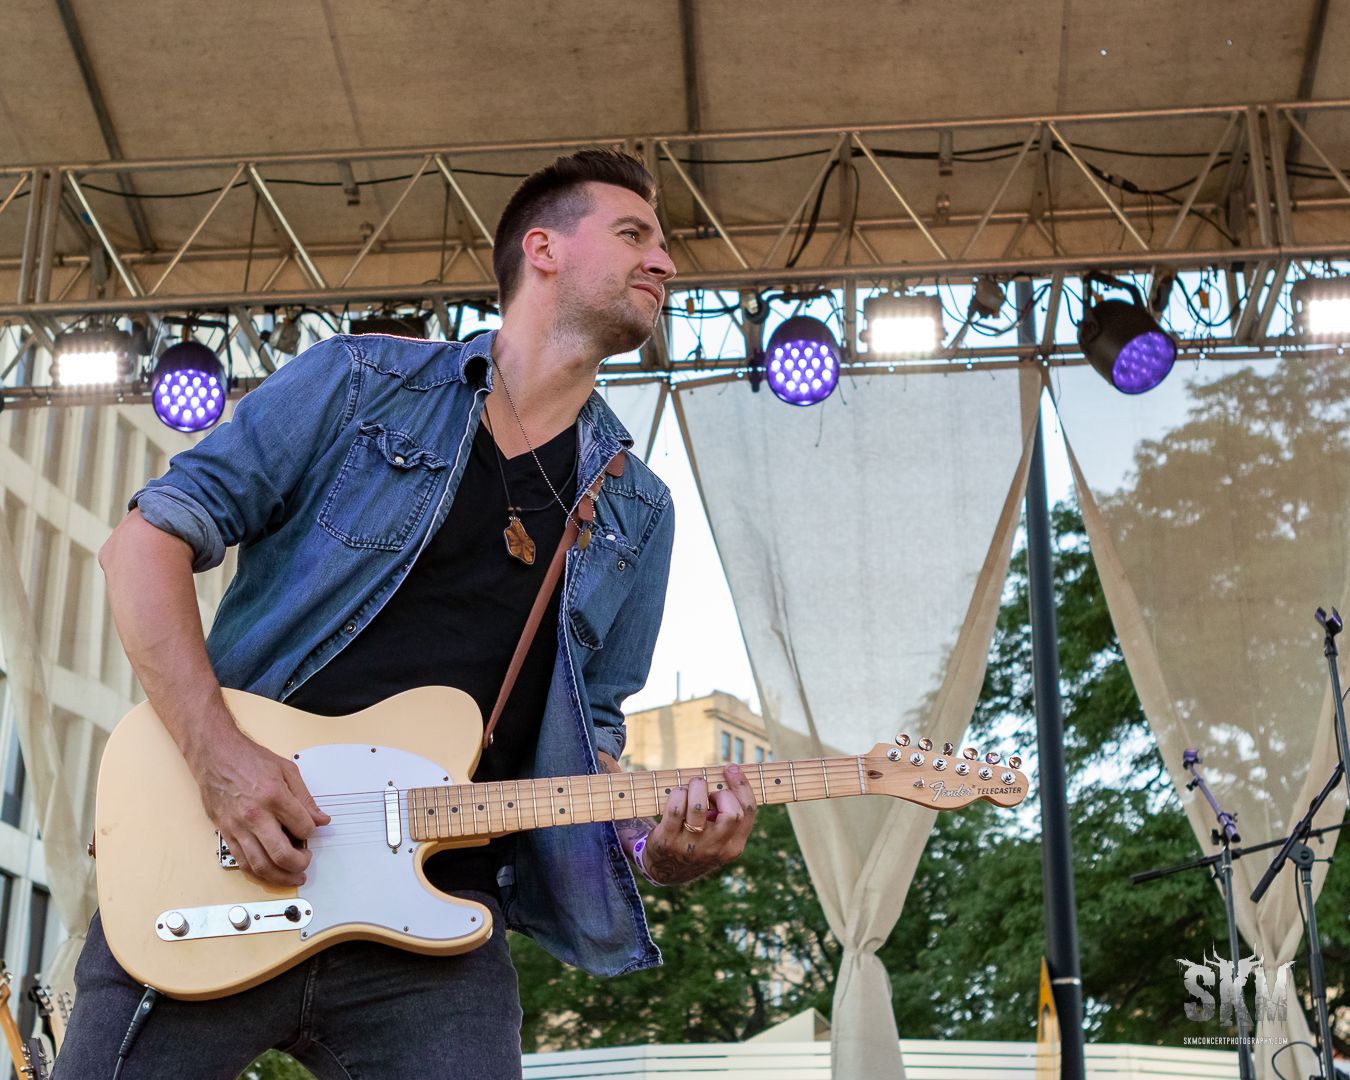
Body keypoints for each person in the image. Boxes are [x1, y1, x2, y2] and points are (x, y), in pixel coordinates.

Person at [56, 149, 758, 1079]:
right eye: (634, 235)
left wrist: (658, 847)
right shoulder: (359, 383)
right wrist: (219, 760)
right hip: (223, 859)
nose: (664, 262)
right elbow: (143, 544)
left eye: (662, 245)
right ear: (542, 249)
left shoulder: (639, 509)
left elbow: (587, 738)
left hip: (437, 923)